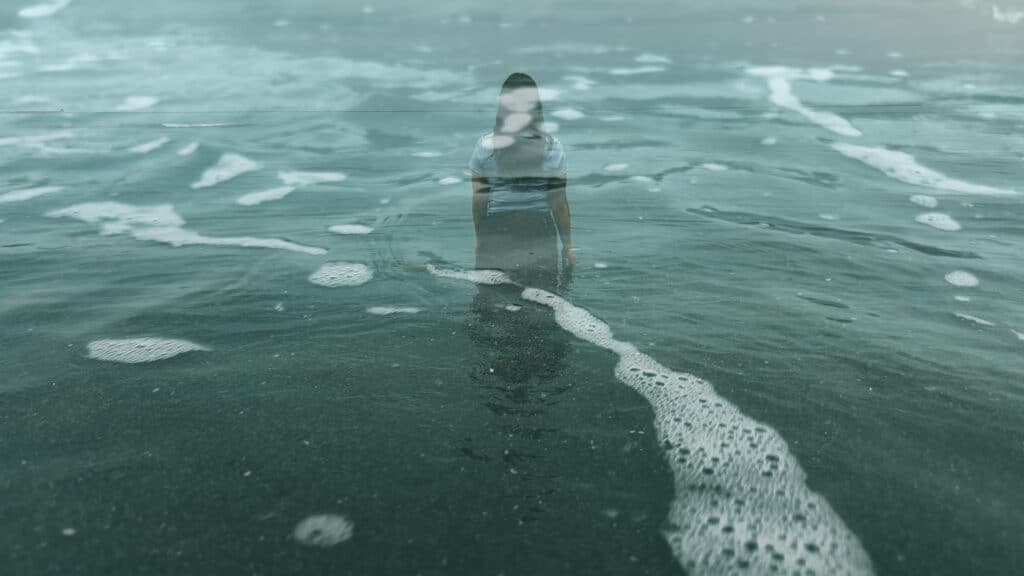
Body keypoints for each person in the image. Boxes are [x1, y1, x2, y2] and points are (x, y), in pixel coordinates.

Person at [469, 72, 573, 290]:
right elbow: (559, 204)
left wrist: (480, 240)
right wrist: (567, 246)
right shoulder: (551, 146)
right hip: (539, 231)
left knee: (491, 308)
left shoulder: (486, 146)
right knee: (545, 307)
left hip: (496, 231)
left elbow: (480, 202)